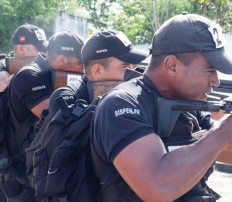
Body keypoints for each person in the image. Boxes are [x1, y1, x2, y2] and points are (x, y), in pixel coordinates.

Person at [92, 12, 232, 201]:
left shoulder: (185, 109)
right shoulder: (122, 103)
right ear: (172, 65)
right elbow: (158, 187)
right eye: (210, 70)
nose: (216, 81)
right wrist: (223, 135)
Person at [5, 30, 84, 202]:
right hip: (25, 177)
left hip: (44, 171)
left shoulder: (52, 76)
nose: (83, 70)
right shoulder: (30, 76)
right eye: (81, 64)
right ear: (63, 59)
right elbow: (60, 116)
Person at [48, 30, 148, 116]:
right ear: (97, 71)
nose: (134, 73)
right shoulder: (68, 97)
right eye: (125, 66)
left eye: (135, 66)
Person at [0, 23, 48, 93]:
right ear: (21, 49)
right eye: (39, 49)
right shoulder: (3, 64)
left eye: (46, 49)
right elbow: (3, 84)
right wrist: (27, 73)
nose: (46, 53)